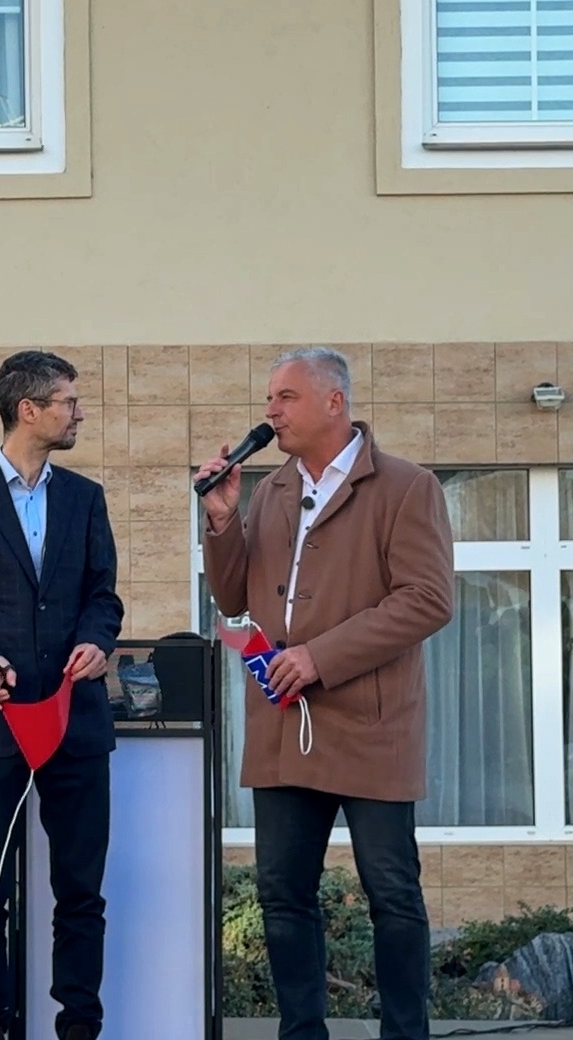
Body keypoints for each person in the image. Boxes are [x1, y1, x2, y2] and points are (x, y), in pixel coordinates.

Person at [195, 346, 452, 1040]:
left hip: (372, 724)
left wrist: (319, 656)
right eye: (269, 398)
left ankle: (405, 1034)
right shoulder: (273, 490)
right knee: (282, 893)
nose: (270, 411)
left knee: (392, 893)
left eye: (285, 397)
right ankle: (301, 1032)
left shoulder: (406, 486)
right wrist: (221, 519)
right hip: (285, 724)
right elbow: (234, 596)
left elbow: (428, 600)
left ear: (334, 402)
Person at [0, 350, 123, 1040]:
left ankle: (79, 1025)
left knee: (81, 892)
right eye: (68, 401)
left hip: (75, 720)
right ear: (28, 409)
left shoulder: (85, 498)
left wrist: (97, 640)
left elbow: (103, 597)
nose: (79, 412)